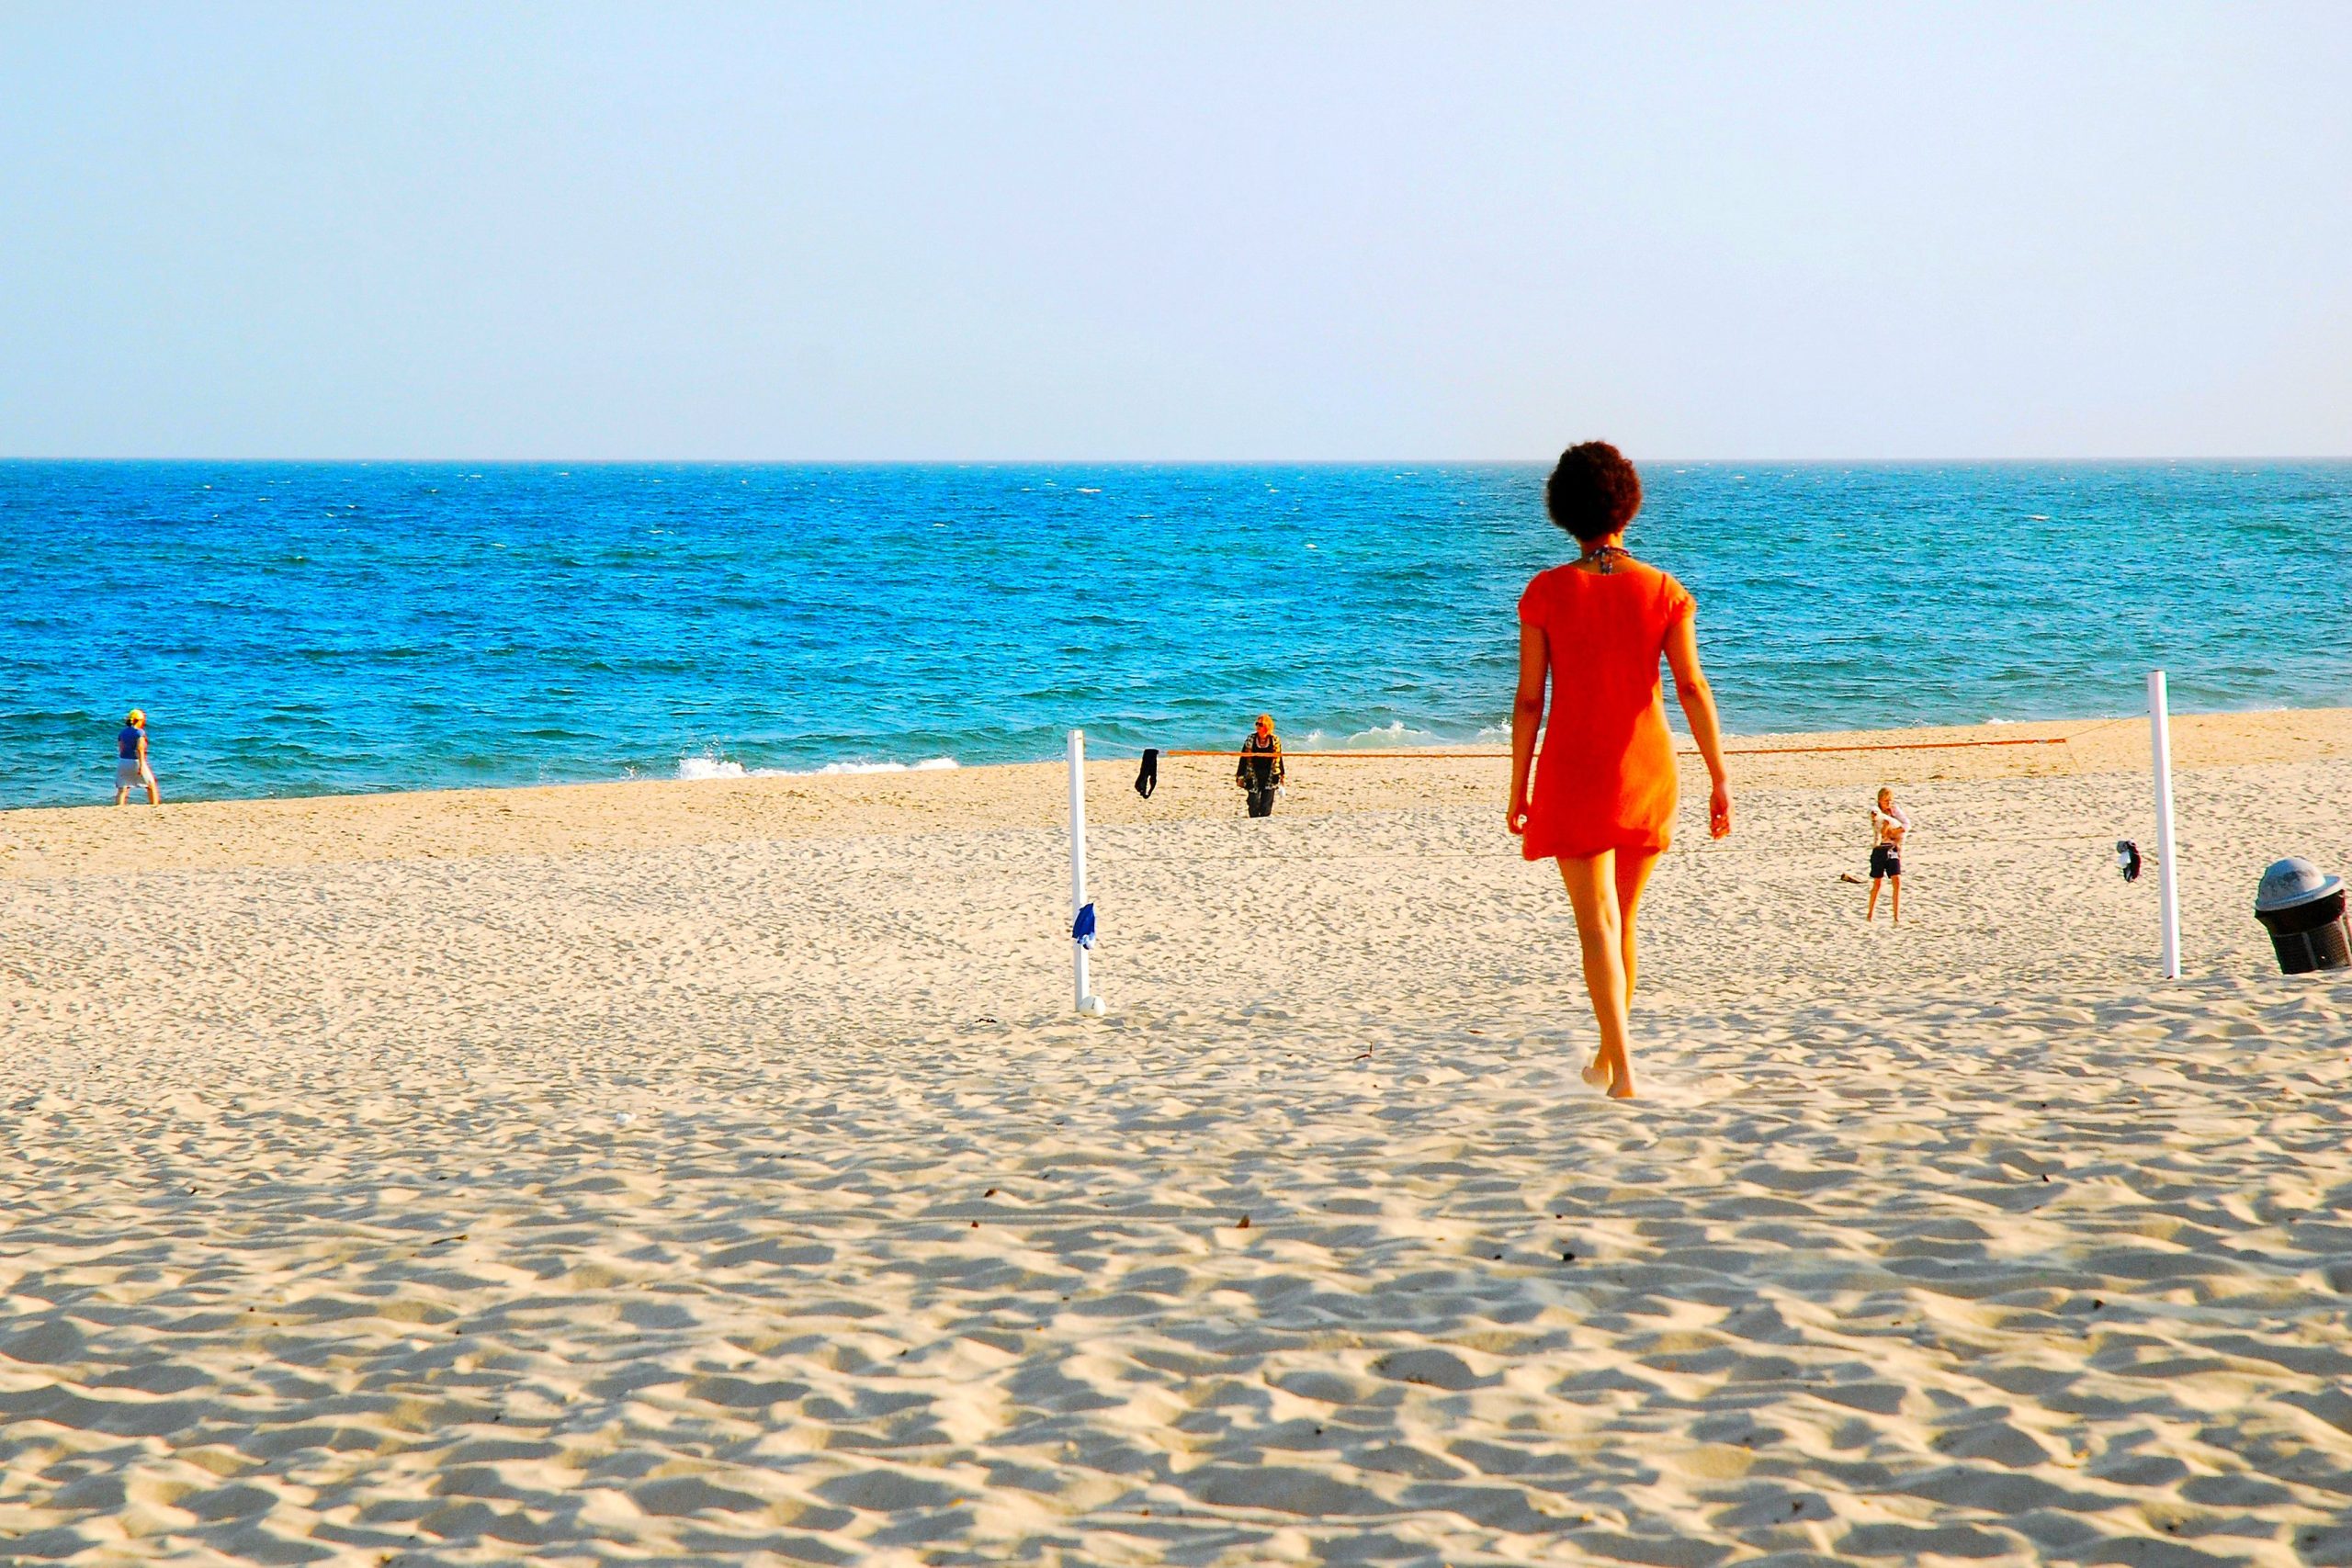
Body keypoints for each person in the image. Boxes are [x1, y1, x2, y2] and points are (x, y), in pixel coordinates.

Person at [1508, 442, 1731, 1100]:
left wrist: (1517, 784)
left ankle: (1624, 1070)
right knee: (1623, 920)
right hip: (1647, 766)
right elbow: (1692, 686)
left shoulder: (1547, 591)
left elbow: (1528, 700)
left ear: (1564, 511)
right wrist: (1719, 774)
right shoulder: (1663, 590)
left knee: (1597, 922)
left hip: (1575, 768)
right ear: (1627, 504)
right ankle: (1609, 1058)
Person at [1866, 786, 1909, 923]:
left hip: (1893, 848)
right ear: (1880, 801)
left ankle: (1896, 916)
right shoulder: (1877, 811)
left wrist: (1895, 832)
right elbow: (1874, 814)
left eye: (1890, 801)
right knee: (1877, 883)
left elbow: (1907, 824)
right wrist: (1875, 816)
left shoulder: (1895, 810)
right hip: (1879, 849)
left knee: (1897, 880)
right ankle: (1870, 914)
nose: (1888, 804)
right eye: (1886, 801)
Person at [1235, 714, 1284, 818]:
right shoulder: (1250, 739)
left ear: (1267, 726)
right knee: (1253, 802)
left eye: (1260, 724)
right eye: (1257, 724)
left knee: (1266, 806)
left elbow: (1279, 759)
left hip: (1270, 775)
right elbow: (1243, 758)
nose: (1258, 726)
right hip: (1253, 774)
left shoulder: (1275, 740)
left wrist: (1282, 775)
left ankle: (1263, 824)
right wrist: (1239, 775)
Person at [115, 708, 160, 806]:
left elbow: (120, 748)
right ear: (139, 721)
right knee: (151, 784)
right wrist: (142, 764)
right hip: (135, 761)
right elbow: (140, 749)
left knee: (123, 788)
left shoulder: (122, 733)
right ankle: (154, 805)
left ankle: (119, 808)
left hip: (123, 761)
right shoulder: (140, 733)